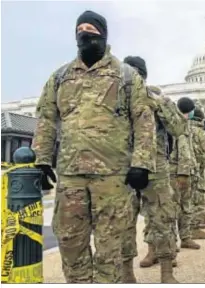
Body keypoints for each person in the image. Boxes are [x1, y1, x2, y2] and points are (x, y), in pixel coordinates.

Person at [32, 11, 152, 283]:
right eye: (80, 29)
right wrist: (41, 158)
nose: (84, 33)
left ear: (103, 33)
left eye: (91, 28)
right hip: (71, 175)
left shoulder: (126, 75)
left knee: (110, 247)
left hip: (112, 177)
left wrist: (141, 163)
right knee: (70, 241)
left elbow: (143, 120)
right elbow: (47, 118)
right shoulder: (60, 76)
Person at [122, 56, 183, 283]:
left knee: (162, 218)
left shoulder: (155, 98)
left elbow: (178, 128)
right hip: (123, 169)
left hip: (155, 168)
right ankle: (127, 274)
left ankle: (167, 271)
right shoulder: (113, 98)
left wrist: (162, 103)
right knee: (122, 222)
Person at [170, 97, 202, 250]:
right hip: (177, 171)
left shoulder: (186, 124)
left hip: (186, 171)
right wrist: (183, 172)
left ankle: (186, 237)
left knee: (186, 206)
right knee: (174, 208)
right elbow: (182, 149)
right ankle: (172, 243)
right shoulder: (176, 123)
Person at [189, 107, 205, 239]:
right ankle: (194, 228)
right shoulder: (199, 132)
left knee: (187, 201)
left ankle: (186, 231)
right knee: (198, 198)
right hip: (197, 169)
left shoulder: (182, 128)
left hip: (183, 168)